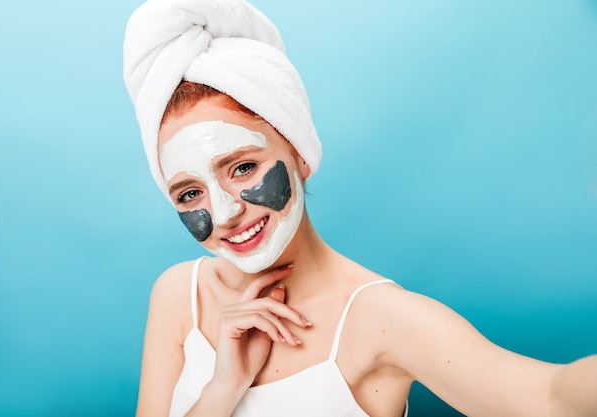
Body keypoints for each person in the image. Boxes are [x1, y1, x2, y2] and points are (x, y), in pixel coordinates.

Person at [123, 1, 597, 416]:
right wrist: (221, 390)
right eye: (189, 194)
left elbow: (552, 400)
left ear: (301, 153)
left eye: (243, 167)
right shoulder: (178, 296)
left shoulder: (384, 319)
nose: (224, 213)